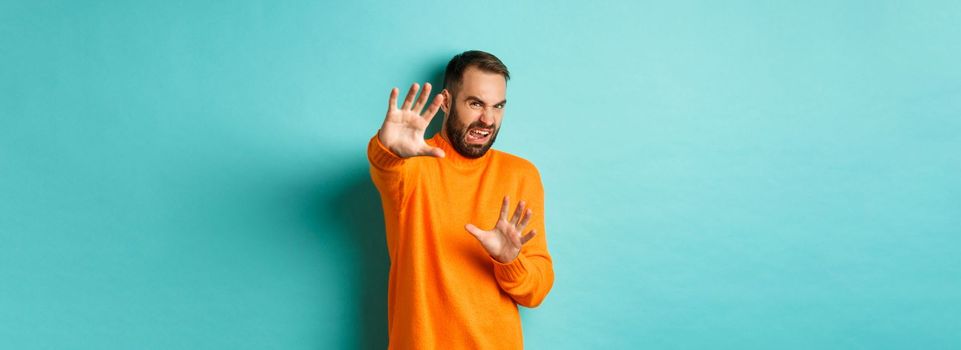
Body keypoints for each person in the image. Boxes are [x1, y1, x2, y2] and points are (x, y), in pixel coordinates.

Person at [367, 50, 555, 349]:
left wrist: (510, 261)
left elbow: (536, 291)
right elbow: (385, 166)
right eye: (476, 103)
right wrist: (387, 149)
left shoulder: (521, 174)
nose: (488, 119)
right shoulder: (412, 166)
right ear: (446, 101)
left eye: (498, 106)